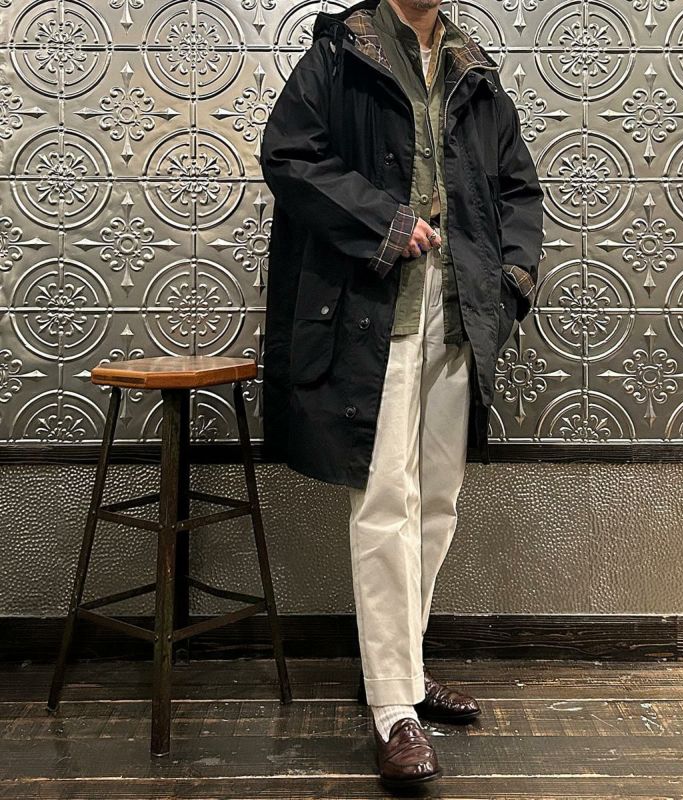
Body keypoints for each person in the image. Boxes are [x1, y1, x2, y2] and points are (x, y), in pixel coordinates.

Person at [260, 0, 544, 789]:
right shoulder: (341, 54)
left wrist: (510, 281)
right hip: (370, 316)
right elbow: (288, 154)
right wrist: (383, 220)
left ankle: (405, 669)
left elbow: (518, 190)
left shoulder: (472, 70)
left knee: (437, 501)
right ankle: (393, 709)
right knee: (385, 500)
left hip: (458, 315)